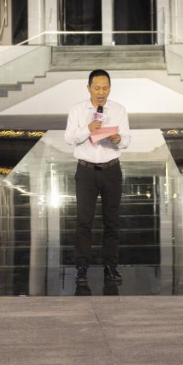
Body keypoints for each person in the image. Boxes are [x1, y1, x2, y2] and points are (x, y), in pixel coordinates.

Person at [63, 69, 130, 286]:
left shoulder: (119, 110)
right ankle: (82, 267)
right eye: (97, 88)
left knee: (112, 221)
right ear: (89, 88)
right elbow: (69, 138)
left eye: (105, 88)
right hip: (86, 171)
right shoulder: (77, 110)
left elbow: (127, 139)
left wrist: (118, 138)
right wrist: (88, 128)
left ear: (110, 88)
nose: (101, 92)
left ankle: (110, 265)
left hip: (111, 170)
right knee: (84, 221)